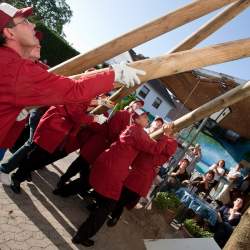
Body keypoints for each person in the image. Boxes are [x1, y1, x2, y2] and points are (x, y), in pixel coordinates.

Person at [0, 3, 145, 150]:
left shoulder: (10, 62)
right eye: (24, 21)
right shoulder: (16, 69)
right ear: (9, 33)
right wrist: (116, 74)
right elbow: (74, 90)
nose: (32, 25)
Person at [72, 110, 173, 247]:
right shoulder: (139, 132)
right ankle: (81, 236)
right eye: (144, 116)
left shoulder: (134, 129)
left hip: (112, 163)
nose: (147, 119)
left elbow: (155, 150)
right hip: (115, 167)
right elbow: (154, 149)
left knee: (93, 185)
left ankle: (63, 191)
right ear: (137, 119)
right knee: (108, 203)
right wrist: (166, 135)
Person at [54, 99, 144, 189]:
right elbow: (112, 131)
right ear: (132, 104)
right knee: (81, 162)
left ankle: (72, 186)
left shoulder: (132, 121)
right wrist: (122, 138)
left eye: (141, 106)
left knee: (85, 166)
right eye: (137, 104)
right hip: (100, 142)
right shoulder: (122, 113)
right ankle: (64, 180)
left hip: (104, 147)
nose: (139, 107)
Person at [106, 120, 177, 227]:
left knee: (123, 197)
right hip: (134, 169)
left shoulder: (171, 142)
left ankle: (110, 213)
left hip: (142, 175)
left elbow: (157, 150)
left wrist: (164, 136)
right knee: (118, 193)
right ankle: (110, 213)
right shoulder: (160, 136)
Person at [0, 36, 48, 181]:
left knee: (4, 146)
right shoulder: (10, 60)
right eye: (34, 43)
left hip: (18, 119)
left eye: (39, 44)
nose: (37, 46)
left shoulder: (42, 69)